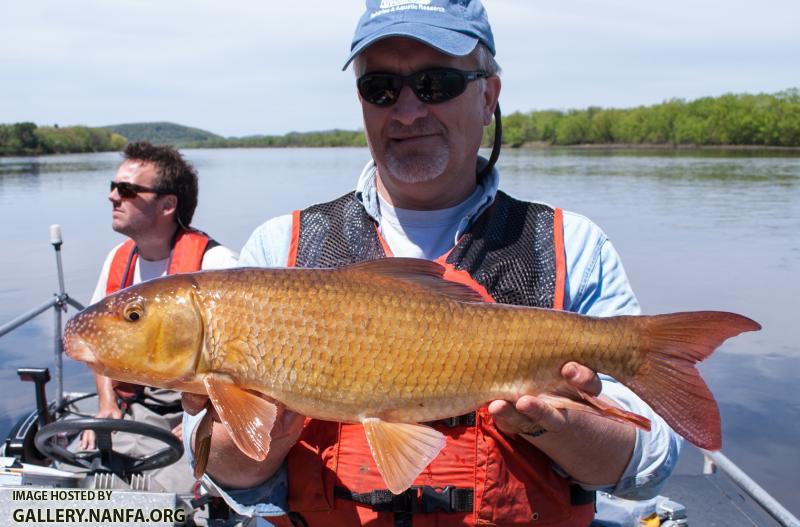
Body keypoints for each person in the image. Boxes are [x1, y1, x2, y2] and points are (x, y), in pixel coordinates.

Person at [183, 1, 681, 525]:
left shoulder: (571, 246)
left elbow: (649, 466)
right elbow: (221, 471)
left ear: (489, 95)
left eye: (436, 84)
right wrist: (261, 440)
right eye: (380, 89)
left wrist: (557, 425)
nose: (406, 111)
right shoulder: (279, 249)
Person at [80, 141, 238, 492]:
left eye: (127, 189)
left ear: (168, 204)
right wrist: (107, 405)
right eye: (113, 187)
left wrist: (206, 417)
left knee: (177, 494)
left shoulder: (216, 266)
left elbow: (244, 362)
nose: (112, 197)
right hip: (133, 401)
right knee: (87, 477)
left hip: (191, 404)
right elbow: (97, 346)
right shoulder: (118, 261)